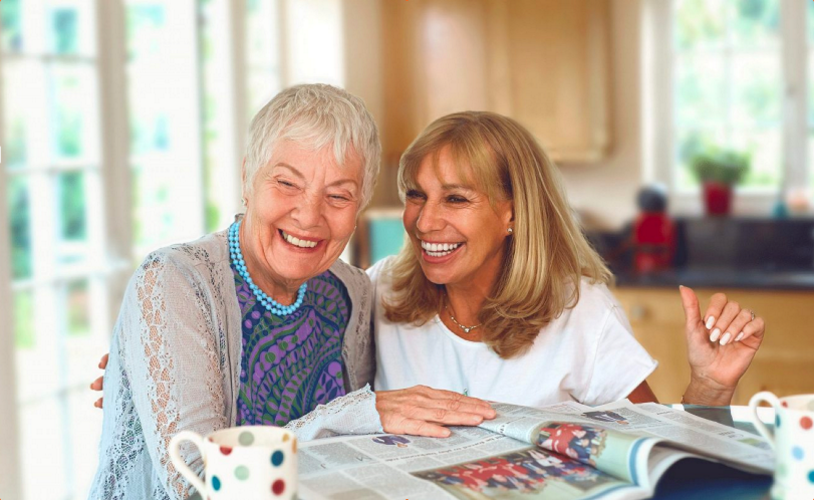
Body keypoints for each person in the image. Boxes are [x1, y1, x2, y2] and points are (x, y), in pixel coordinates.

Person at [89, 85, 495, 500]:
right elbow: (197, 480)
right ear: (248, 177)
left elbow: (353, 449)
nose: (308, 215)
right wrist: (350, 414)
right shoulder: (176, 281)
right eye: (287, 183)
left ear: (359, 207)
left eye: (338, 195)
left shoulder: (352, 292)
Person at [369, 111, 765, 419]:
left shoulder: (580, 311)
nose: (423, 222)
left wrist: (709, 388)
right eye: (416, 195)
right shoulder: (377, 291)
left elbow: (654, 451)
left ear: (515, 214)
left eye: (455, 199)